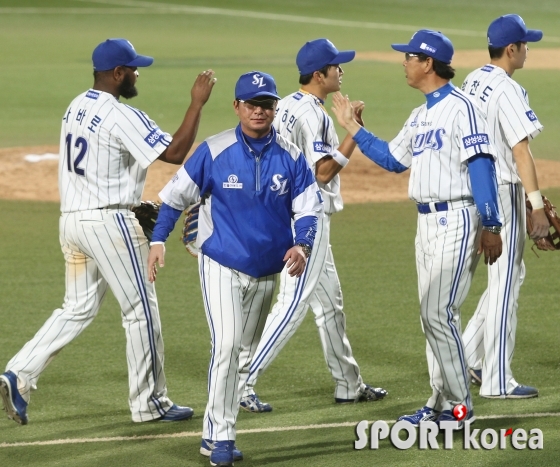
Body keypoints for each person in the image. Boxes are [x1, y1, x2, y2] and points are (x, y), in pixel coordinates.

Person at [0, 38, 216, 425]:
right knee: (141, 311)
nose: (137, 74)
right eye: (133, 69)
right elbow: (176, 153)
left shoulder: (75, 106)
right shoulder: (121, 115)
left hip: (73, 222)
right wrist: (196, 102)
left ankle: (18, 374)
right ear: (117, 74)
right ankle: (149, 403)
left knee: (77, 308)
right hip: (109, 225)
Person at [147, 71, 323, 467]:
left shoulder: (292, 156)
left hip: (267, 270)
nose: (259, 111)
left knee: (242, 354)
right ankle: (221, 437)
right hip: (221, 262)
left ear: (276, 108)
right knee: (226, 346)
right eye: (251, 104)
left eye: (266, 104)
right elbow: (175, 199)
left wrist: (303, 243)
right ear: (237, 107)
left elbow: (308, 209)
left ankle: (213, 434)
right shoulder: (214, 150)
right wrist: (158, 241)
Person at [331, 30, 503, 428]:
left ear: (428, 63)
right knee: (435, 319)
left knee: (438, 314)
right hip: (425, 224)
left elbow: (481, 167)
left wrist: (491, 224)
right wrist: (354, 128)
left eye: (409, 57)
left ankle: (460, 411)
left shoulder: (462, 108)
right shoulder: (421, 113)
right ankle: (440, 403)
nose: (403, 63)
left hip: (458, 219)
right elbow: (393, 159)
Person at [238, 38, 388, 414]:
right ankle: (242, 382)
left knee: (330, 304)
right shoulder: (314, 115)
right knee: (293, 304)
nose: (342, 71)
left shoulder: (283, 105)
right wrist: (353, 132)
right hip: (306, 218)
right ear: (319, 75)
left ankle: (348, 384)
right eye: (336, 66)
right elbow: (322, 173)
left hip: (280, 208)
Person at [461, 14, 548, 399]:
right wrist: (536, 204)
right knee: (505, 285)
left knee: (508, 276)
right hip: (500, 192)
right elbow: (520, 151)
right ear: (511, 49)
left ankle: (466, 356)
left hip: (471, 187)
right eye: (525, 44)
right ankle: (496, 379)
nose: (528, 49)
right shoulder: (508, 89)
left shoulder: (473, 79)